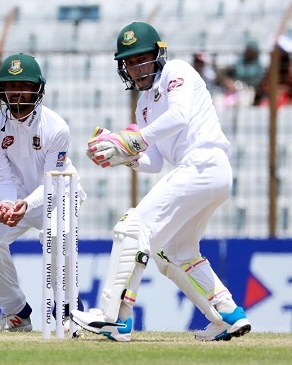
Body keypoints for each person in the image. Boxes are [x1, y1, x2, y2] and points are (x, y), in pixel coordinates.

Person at [72, 22, 251, 342]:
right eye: (128, 62)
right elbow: (154, 161)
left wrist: (131, 141)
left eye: (141, 59)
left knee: (133, 227)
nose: (135, 68)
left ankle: (114, 318)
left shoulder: (176, 72)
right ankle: (228, 315)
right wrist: (122, 155)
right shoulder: (143, 106)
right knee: (175, 251)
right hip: (199, 172)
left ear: (158, 55)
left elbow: (179, 116)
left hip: (204, 163)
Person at [0, 53, 86, 332]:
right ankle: (16, 313)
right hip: (21, 196)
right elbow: (3, 176)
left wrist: (24, 203)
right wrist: (7, 203)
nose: (17, 94)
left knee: (57, 238)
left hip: (60, 192)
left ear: (38, 89)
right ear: (1, 90)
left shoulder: (56, 127)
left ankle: (70, 312)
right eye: (10, 87)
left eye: (23, 86)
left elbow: (52, 178)